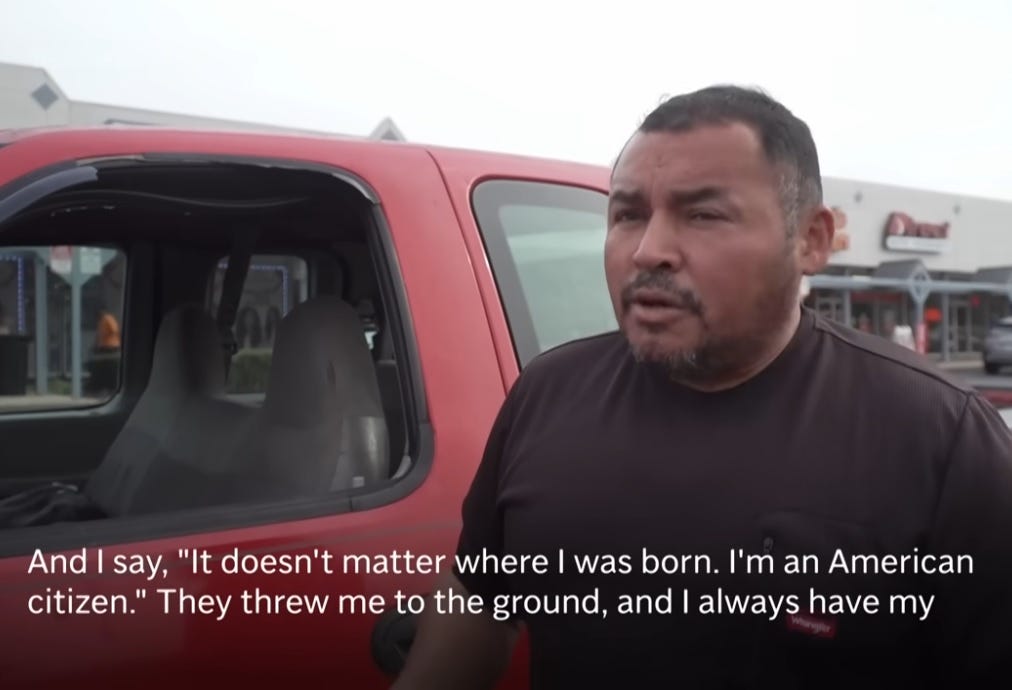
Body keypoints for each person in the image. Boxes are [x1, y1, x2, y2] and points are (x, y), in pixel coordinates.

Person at [392, 86, 1012, 689]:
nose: (648, 251)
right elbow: (477, 606)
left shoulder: (940, 437)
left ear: (811, 240)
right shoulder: (546, 395)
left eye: (703, 215)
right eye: (628, 215)